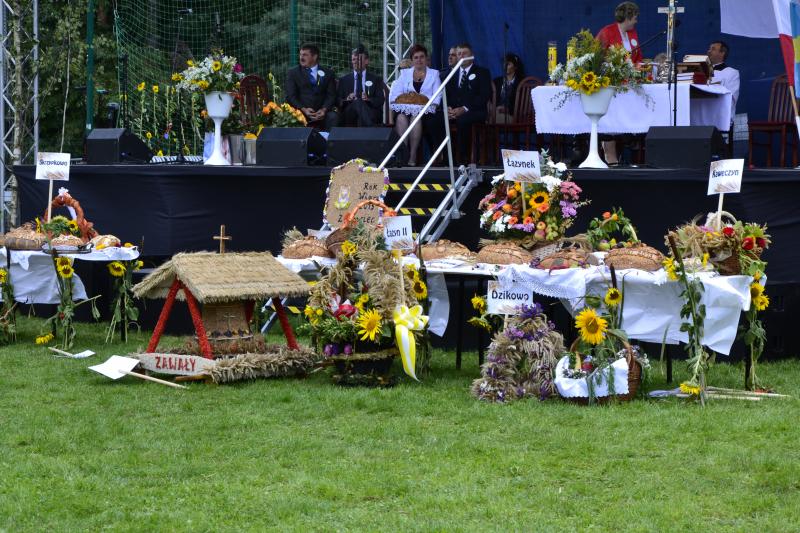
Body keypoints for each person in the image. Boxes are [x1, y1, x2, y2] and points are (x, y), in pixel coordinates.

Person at [597, 2, 641, 165]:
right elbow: (596, 57)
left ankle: (629, 153)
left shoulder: (632, 33)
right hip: (611, 85)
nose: (636, 20)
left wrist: (638, 67)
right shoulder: (607, 32)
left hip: (629, 85)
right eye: (635, 17)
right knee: (610, 119)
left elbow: (638, 58)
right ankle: (610, 155)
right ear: (628, 17)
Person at [389, 44, 442, 165]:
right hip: (405, 109)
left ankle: (412, 156)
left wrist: (421, 101)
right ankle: (403, 154)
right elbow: (396, 94)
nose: (419, 60)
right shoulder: (405, 74)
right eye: (416, 57)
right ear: (412, 60)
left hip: (426, 112)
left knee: (415, 118)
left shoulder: (434, 74)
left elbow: (437, 97)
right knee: (401, 118)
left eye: (422, 57)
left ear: (426, 58)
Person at [445, 42, 492, 164]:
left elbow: (484, 96)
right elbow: (447, 95)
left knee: (463, 120)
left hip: (475, 111)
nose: (461, 56)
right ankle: (446, 158)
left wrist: (464, 108)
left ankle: (464, 158)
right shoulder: (452, 74)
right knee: (437, 119)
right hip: (454, 111)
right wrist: (449, 108)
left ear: (472, 55)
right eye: (459, 54)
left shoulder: (482, 72)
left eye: (464, 53)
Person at [285, 43, 338, 131]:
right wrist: (304, 109)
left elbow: (331, 95)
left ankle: (329, 139)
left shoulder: (328, 73)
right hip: (301, 112)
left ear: (314, 57)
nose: (301, 58)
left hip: (322, 113)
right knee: (293, 118)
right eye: (300, 54)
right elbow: (291, 96)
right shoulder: (293, 73)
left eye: (305, 55)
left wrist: (324, 109)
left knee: (333, 117)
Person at [337, 47, 385, 127]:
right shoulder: (344, 80)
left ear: (366, 61)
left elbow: (380, 100)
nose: (355, 62)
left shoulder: (376, 79)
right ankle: (372, 129)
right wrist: (347, 99)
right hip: (349, 114)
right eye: (353, 59)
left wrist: (368, 99)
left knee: (359, 103)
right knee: (358, 102)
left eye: (358, 59)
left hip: (371, 112)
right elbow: (337, 100)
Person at [707, 40, 740, 120]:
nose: (709, 51)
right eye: (709, 49)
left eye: (713, 49)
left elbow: (731, 98)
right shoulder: (701, 70)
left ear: (722, 53)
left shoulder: (732, 73)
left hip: (719, 117)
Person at [493, 53, 525, 124]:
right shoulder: (496, 81)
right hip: (496, 112)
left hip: (512, 115)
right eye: (504, 63)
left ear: (515, 67)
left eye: (508, 64)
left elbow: (522, 105)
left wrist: (508, 110)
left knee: (493, 119)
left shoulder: (522, 83)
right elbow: (489, 99)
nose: (505, 66)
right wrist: (493, 108)